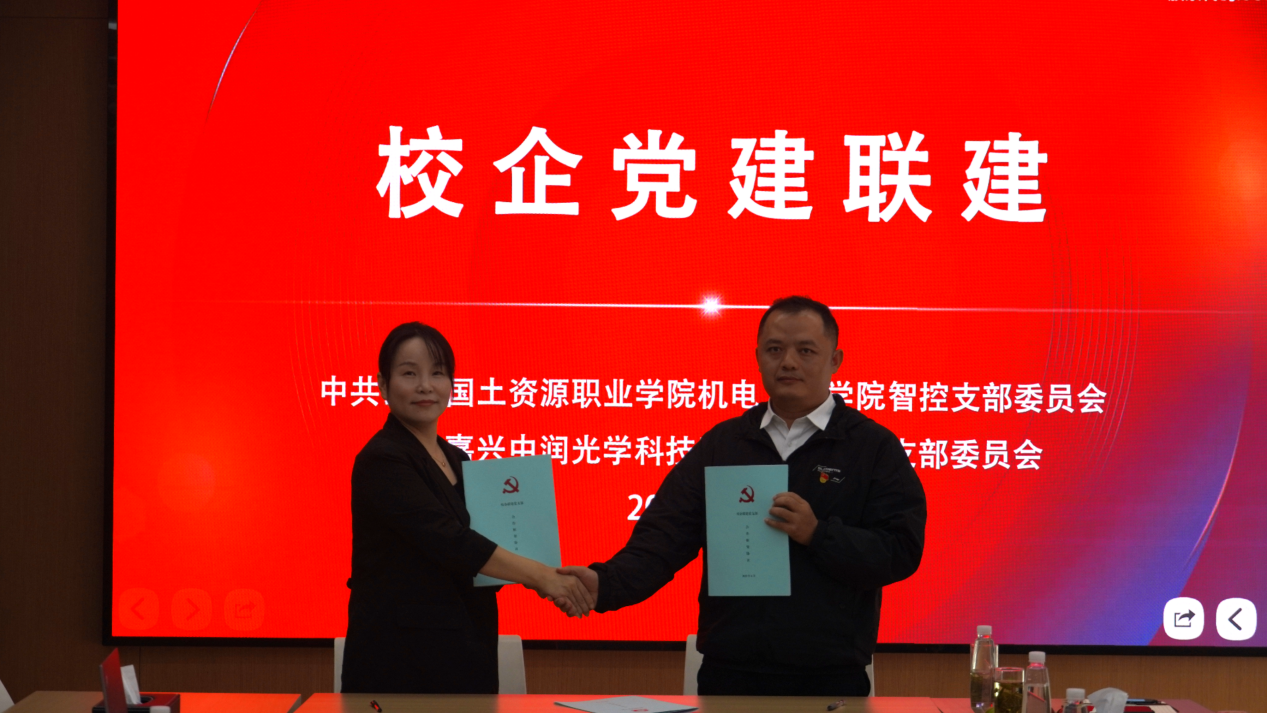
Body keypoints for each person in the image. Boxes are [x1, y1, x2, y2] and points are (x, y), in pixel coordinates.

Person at [560, 296, 927, 696]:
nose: (788, 362)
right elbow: (664, 536)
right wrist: (605, 583)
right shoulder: (724, 444)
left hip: (830, 676)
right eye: (775, 349)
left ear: (835, 360)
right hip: (728, 673)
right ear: (758, 357)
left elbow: (901, 549)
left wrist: (819, 534)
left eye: (805, 351)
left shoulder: (871, 447)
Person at [341, 321, 594, 694]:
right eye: (409, 373)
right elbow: (451, 541)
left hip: (466, 648)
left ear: (452, 384)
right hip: (400, 660)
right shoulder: (382, 459)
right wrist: (541, 576)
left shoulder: (459, 460)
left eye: (437, 373)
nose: (425, 385)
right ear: (382, 384)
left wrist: (544, 574)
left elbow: (484, 546)